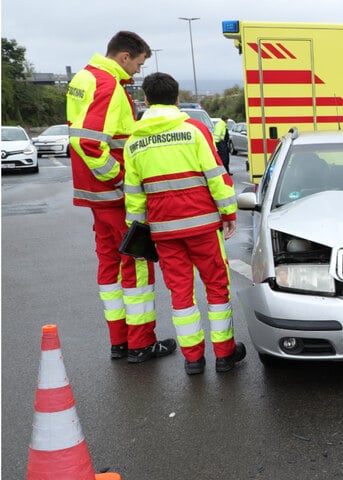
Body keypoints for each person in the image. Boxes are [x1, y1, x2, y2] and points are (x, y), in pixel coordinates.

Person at [123, 72, 246, 375]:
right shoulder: (193, 130)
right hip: (203, 227)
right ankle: (225, 354)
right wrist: (229, 213)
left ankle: (193, 359)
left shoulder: (134, 141)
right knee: (217, 288)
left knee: (180, 294)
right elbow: (216, 175)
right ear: (177, 99)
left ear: (146, 100)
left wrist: (138, 233)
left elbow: (134, 197)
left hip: (165, 232)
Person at [66, 31, 177, 363]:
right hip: (113, 196)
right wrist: (120, 180)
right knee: (137, 265)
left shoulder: (83, 77)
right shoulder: (107, 85)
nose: (139, 71)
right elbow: (88, 143)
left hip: (94, 196)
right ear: (125, 56)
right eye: (139, 62)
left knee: (110, 266)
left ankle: (119, 342)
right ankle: (141, 343)